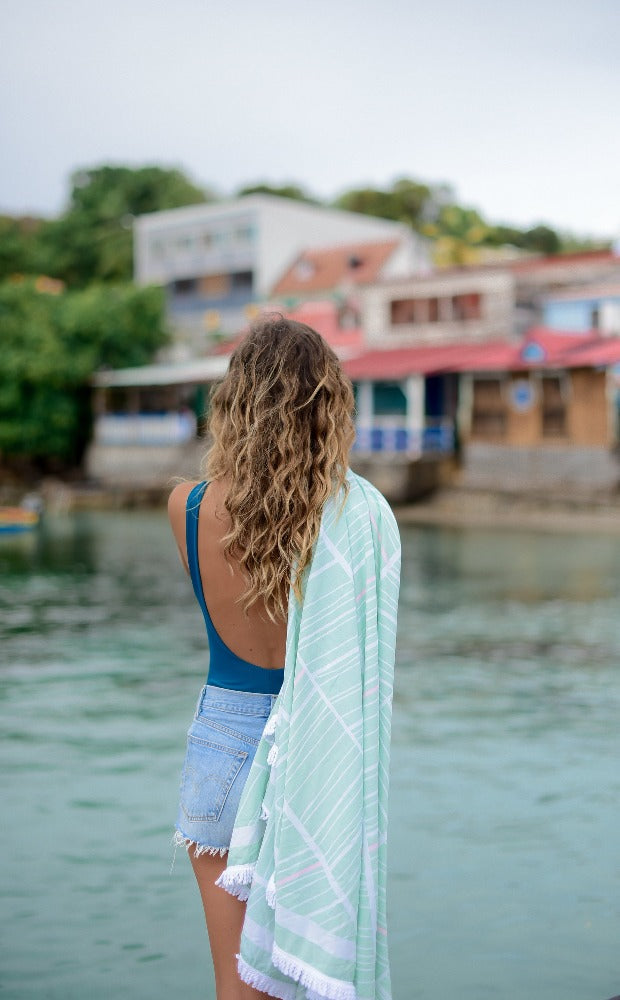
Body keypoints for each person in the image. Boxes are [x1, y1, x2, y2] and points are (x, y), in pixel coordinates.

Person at [168, 315, 401, 1000]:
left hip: (222, 744)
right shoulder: (350, 521)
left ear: (233, 405)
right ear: (327, 408)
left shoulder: (185, 507)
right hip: (314, 753)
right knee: (308, 977)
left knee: (236, 989)